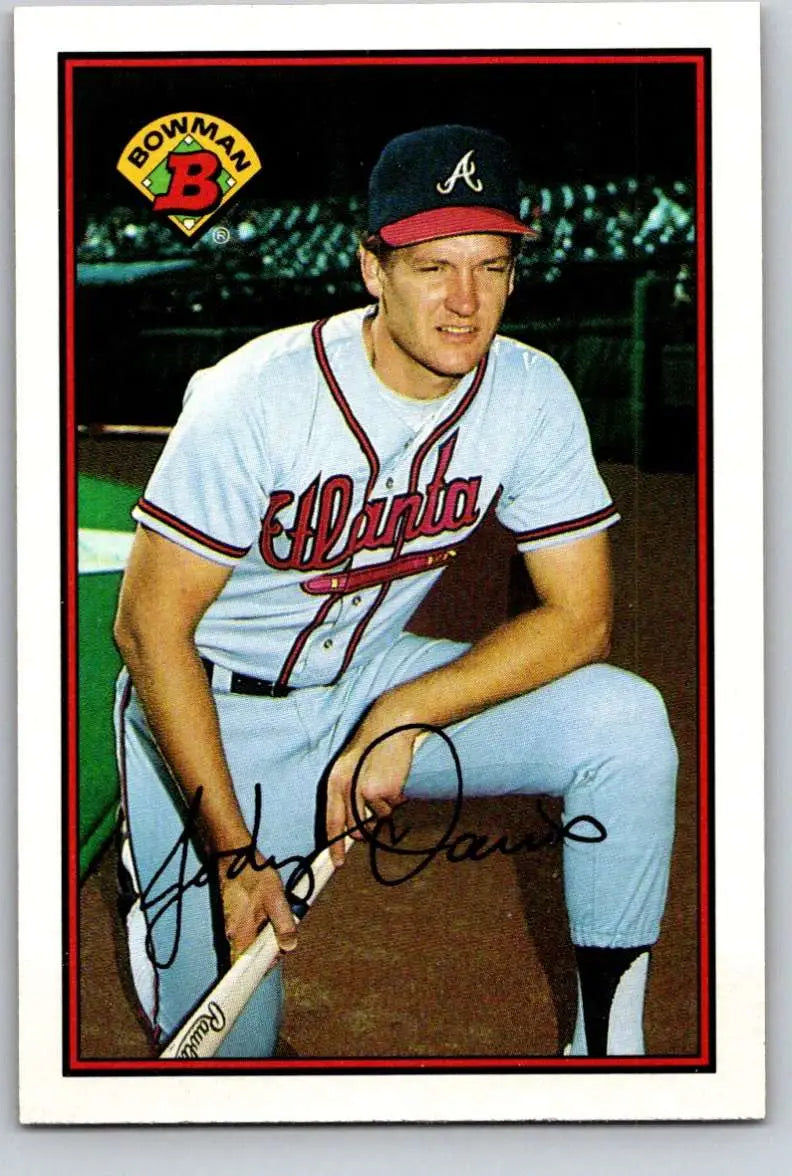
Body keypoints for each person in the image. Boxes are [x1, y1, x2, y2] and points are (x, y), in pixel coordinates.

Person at [113, 124, 678, 1059]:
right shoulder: (252, 395)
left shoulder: (531, 393)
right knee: (227, 1054)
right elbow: (148, 629)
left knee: (624, 727)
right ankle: (161, 889)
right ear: (372, 268)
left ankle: (611, 1059)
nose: (466, 301)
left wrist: (406, 711)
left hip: (374, 674)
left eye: (491, 267)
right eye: (433, 267)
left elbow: (583, 619)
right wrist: (230, 850)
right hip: (216, 714)